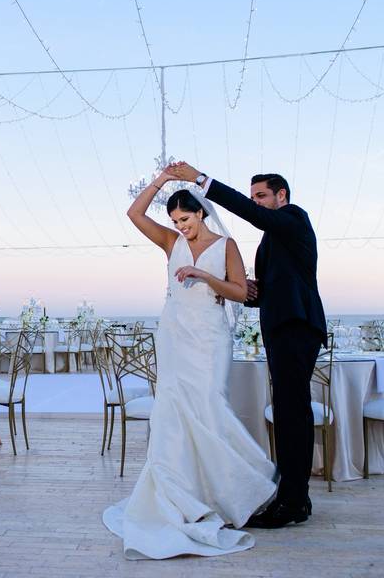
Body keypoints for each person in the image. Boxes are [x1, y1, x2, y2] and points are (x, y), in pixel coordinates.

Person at [102, 169, 276, 560]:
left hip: (211, 337)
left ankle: (233, 491)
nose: (182, 227)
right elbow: (134, 214)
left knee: (211, 405)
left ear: (201, 213)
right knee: (174, 411)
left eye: (187, 219)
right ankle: (181, 493)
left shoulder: (226, 245)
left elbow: (236, 291)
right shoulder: (170, 242)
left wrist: (201, 274)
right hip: (175, 334)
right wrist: (161, 181)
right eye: (176, 222)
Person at [166, 162, 327, 529]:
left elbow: (253, 216)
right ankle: (294, 497)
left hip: (296, 327)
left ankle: (292, 502)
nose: (256, 202)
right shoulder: (276, 239)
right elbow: (280, 285)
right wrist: (252, 293)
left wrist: (200, 180)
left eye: (261, 196)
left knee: (292, 413)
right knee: (289, 412)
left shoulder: (293, 218)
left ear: (281, 196)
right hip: (284, 326)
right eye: (253, 195)